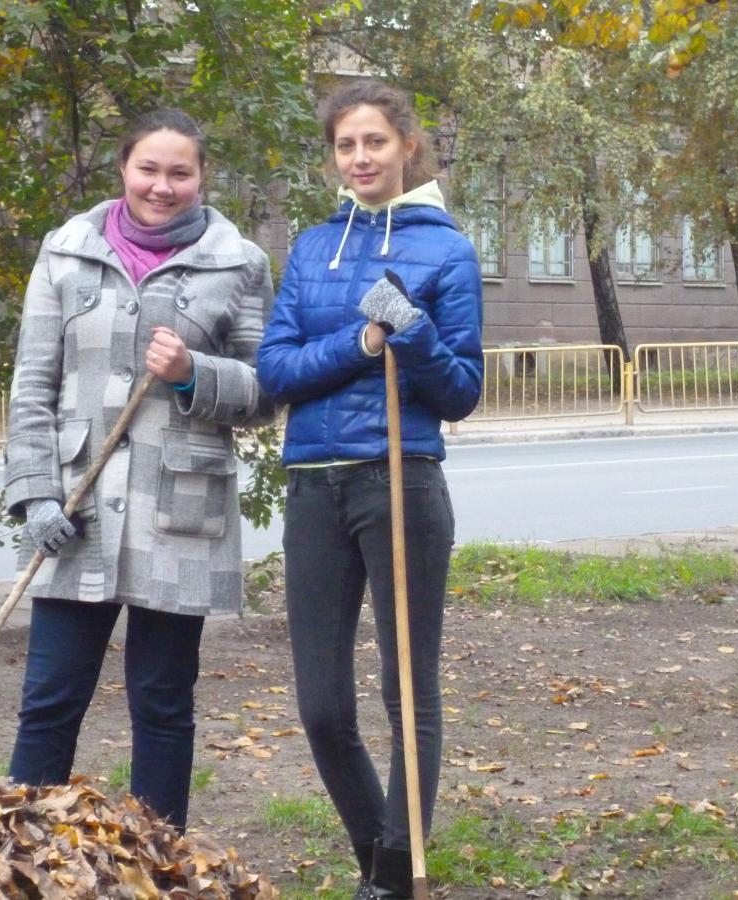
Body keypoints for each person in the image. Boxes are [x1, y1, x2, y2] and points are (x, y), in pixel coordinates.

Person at [2, 108, 274, 832]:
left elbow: (263, 389)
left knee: (161, 703)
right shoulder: (66, 251)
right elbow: (32, 384)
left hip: (179, 511)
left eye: (179, 172)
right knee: (50, 697)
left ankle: (159, 860)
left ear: (201, 177)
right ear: (123, 168)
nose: (162, 185)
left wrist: (193, 374)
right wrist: (35, 496)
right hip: (77, 509)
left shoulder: (238, 262)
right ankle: (23, 856)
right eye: (148, 169)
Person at [256, 81, 483, 899]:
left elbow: (459, 392)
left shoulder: (449, 251)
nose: (361, 158)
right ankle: (378, 854)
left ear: (406, 147)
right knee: (321, 706)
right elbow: (275, 370)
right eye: (347, 145)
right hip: (315, 485)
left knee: (407, 692)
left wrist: (413, 335)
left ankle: (393, 877)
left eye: (375, 142)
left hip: (401, 481)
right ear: (334, 155)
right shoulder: (314, 248)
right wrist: (361, 341)